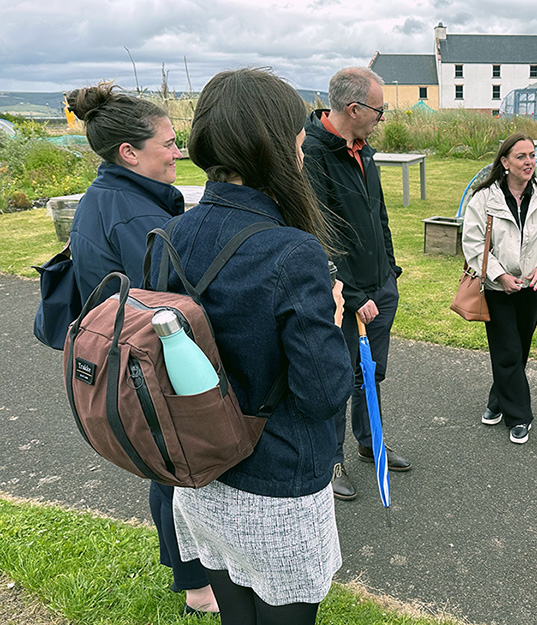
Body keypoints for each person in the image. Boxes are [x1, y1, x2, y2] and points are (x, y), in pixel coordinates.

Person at [156, 68, 353, 625]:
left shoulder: (171, 234)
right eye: (299, 131)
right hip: (278, 483)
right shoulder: (293, 252)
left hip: (199, 471)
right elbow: (323, 393)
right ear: (277, 141)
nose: (303, 143)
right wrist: (332, 318)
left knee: (235, 617)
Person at [65, 82, 218, 615]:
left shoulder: (110, 197)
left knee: (165, 466)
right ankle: (196, 584)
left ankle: (191, 573)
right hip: (146, 360)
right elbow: (174, 295)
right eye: (169, 142)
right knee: (175, 464)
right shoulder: (137, 216)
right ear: (129, 152)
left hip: (118, 354)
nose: (178, 152)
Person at [302, 66, 410, 501]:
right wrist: (354, 293)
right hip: (345, 296)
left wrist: (390, 271)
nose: (381, 118)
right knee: (340, 377)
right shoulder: (314, 154)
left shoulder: (363, 151)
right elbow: (319, 235)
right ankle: (332, 461)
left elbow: (378, 216)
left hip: (380, 286)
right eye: (379, 110)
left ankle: (371, 444)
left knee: (371, 375)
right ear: (354, 107)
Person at [461, 133, 537, 444]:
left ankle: (497, 401)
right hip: (498, 290)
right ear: (505, 162)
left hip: (533, 289)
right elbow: (472, 244)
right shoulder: (483, 200)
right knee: (508, 350)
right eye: (521, 156)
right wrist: (499, 275)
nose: (529, 162)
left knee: (519, 349)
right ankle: (520, 417)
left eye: (533, 155)